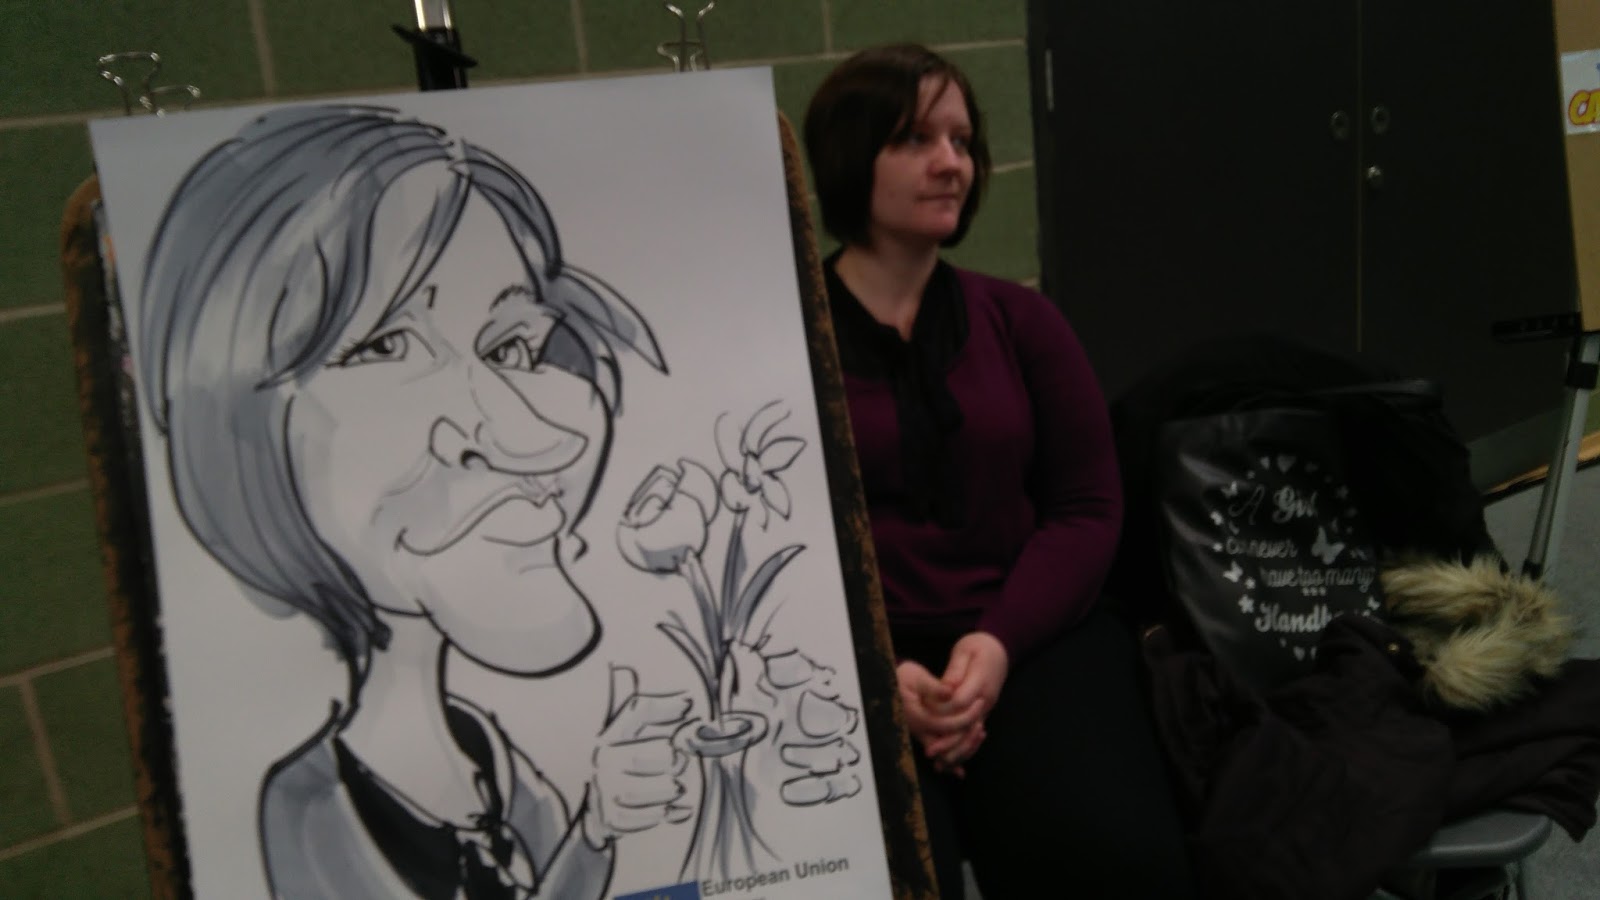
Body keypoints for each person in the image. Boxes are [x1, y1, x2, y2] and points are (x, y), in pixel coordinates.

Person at [139, 105, 692, 898]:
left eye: (512, 346)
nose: (534, 435)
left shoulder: (487, 755)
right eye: (386, 345)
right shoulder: (310, 807)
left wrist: (599, 824)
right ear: (236, 433)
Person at [804, 44, 1195, 898]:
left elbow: (1087, 506)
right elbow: (767, 540)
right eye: (916, 139)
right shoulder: (789, 340)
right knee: (885, 877)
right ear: (849, 155)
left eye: (962, 140)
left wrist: (997, 643)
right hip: (848, 651)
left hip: (1028, 630)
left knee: (1120, 859)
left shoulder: (1021, 321)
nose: (952, 162)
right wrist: (875, 670)